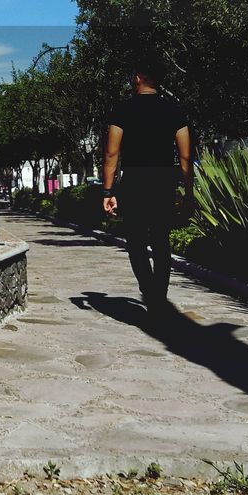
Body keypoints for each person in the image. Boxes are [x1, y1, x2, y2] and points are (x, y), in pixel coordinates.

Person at [101, 60, 193, 310]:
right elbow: (185, 156)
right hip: (164, 180)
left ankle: (148, 289)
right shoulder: (174, 109)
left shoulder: (122, 109)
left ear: (138, 78)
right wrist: (188, 190)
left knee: (136, 239)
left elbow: (111, 154)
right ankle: (159, 296)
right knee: (161, 239)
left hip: (134, 180)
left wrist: (108, 191)